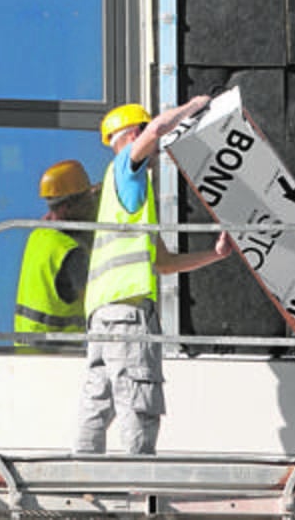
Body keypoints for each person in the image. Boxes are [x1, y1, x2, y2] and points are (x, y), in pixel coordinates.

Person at [75, 96, 234, 455]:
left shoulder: (123, 200)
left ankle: (82, 480)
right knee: (138, 399)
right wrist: (194, 105)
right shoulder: (126, 168)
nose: (157, 150)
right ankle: (138, 484)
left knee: (98, 402)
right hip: (128, 315)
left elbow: (162, 262)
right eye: (147, 136)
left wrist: (215, 254)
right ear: (134, 133)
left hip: (102, 316)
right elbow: (160, 128)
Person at [13, 159, 99, 349]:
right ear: (66, 208)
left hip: (25, 349)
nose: (91, 207)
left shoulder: (38, 235)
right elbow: (95, 304)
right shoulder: (70, 252)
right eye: (86, 202)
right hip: (59, 355)